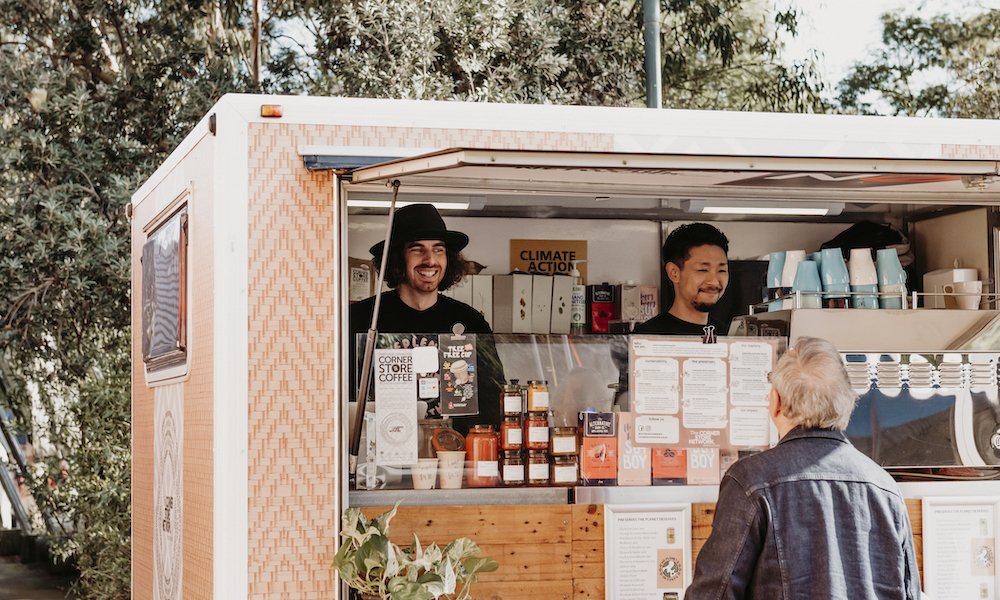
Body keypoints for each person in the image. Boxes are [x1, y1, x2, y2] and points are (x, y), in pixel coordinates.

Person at [686, 336, 921, 600]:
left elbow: (713, 594)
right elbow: (909, 593)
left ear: (775, 402)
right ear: (847, 403)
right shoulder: (885, 488)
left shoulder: (750, 482)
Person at [350, 203, 503, 435]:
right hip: (382, 449)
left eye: (439, 249)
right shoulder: (361, 318)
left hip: (453, 455)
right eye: (417, 249)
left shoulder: (470, 321)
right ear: (397, 258)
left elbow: (493, 399)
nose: (430, 260)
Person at [633, 223, 729, 335]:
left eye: (721, 270)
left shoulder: (731, 337)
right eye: (702, 270)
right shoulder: (646, 338)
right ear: (674, 273)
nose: (714, 281)